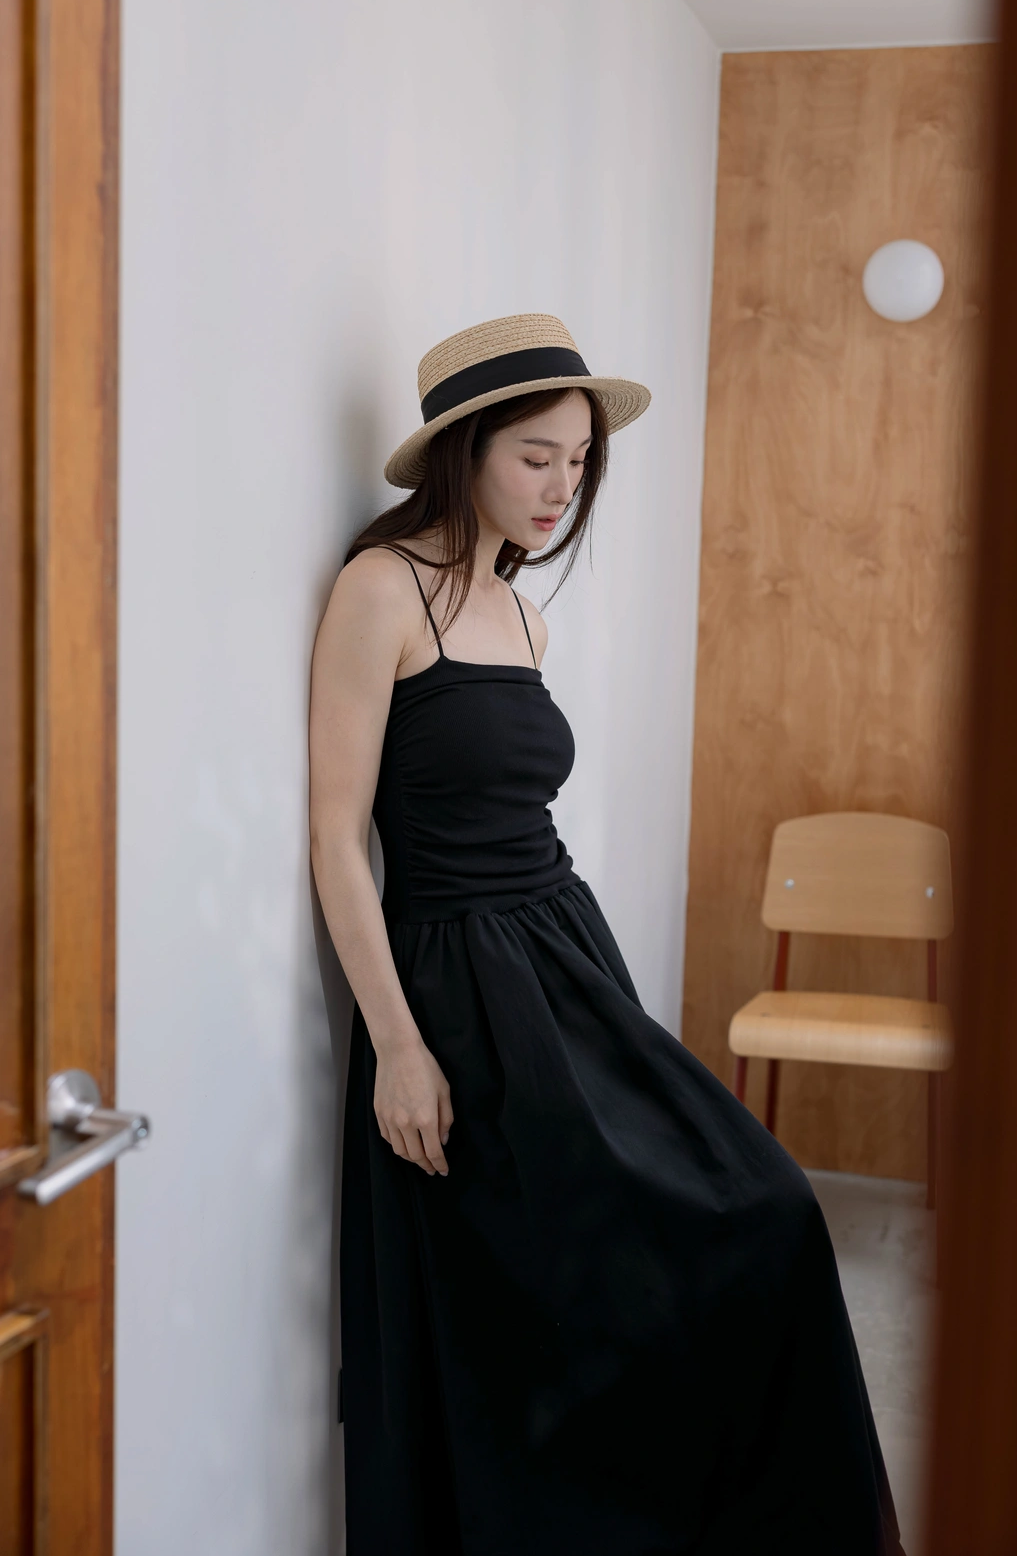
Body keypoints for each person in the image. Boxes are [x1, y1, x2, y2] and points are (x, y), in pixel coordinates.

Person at [309, 313, 903, 1555]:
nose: (559, 486)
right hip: (455, 983)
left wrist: (590, 980)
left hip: (563, 958)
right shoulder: (382, 588)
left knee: (762, 1206)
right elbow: (336, 838)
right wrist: (398, 1046)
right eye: (535, 456)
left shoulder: (520, 613)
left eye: (577, 461)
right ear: (465, 449)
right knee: (544, 1290)